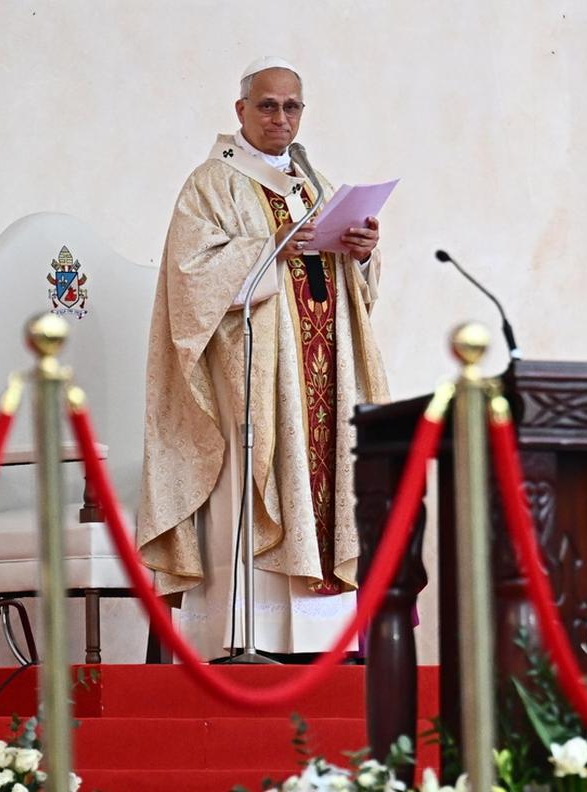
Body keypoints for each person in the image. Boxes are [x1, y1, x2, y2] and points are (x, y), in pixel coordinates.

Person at [137, 56, 389, 659]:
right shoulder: (212, 183)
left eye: (292, 106)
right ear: (241, 110)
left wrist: (362, 253)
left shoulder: (315, 185)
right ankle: (250, 632)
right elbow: (190, 276)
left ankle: (325, 633)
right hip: (252, 378)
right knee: (254, 481)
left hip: (323, 365)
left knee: (329, 474)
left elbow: (354, 289)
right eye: (268, 105)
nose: (281, 117)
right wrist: (268, 249)